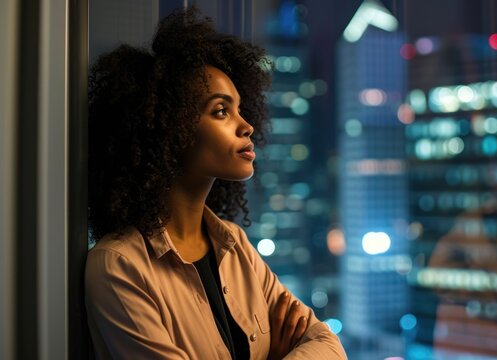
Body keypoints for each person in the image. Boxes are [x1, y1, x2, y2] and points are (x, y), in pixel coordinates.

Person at [85, 7, 347, 360]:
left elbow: (329, 346)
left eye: (241, 109)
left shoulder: (234, 244)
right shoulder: (119, 266)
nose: (247, 126)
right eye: (221, 111)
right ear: (169, 127)